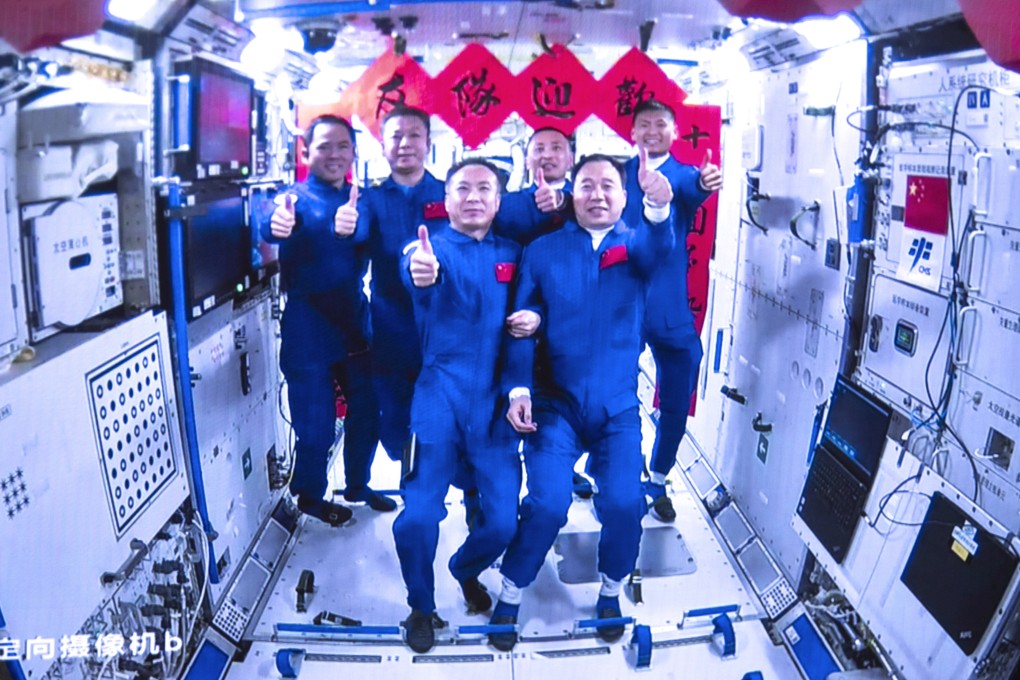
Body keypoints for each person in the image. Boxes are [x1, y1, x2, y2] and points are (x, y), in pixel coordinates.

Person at [489, 153, 675, 651]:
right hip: (556, 404)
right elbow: (521, 324)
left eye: (608, 186)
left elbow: (659, 246)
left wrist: (658, 210)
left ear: (624, 196)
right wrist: (519, 389)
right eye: (586, 185)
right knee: (548, 504)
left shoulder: (635, 245)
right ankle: (511, 591)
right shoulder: (544, 251)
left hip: (616, 407)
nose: (597, 194)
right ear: (572, 194)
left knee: (624, 503)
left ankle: (612, 588)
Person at [393, 159, 523, 653]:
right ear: (445, 201)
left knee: (504, 522)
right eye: (462, 189)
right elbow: (416, 270)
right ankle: (421, 606)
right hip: (438, 399)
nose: (473, 197)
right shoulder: (430, 249)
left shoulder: (514, 254)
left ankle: (465, 568)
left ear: (498, 200)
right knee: (419, 516)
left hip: (493, 405)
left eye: (484, 189)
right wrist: (420, 270)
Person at [260, 114, 395, 525]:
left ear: (354, 152)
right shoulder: (293, 199)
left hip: (354, 321)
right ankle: (310, 496)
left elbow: (361, 229)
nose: (334, 154)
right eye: (324, 146)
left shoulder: (362, 201)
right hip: (307, 326)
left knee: (367, 413)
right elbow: (271, 223)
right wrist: (275, 227)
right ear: (306, 152)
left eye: (342, 146)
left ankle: (357, 484)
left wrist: (348, 230)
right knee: (315, 425)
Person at [622, 99, 722, 522]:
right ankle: (618, 475)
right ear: (632, 133)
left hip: (668, 308)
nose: (650, 131)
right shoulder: (613, 175)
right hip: (620, 302)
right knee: (611, 396)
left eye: (659, 124)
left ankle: (658, 478)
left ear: (674, 132)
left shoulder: (683, 174)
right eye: (643, 125)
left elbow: (692, 189)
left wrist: (705, 182)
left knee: (677, 400)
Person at [357, 106, 449, 463]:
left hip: (445, 326)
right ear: (383, 146)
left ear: (428, 143)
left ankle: (435, 486)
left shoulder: (450, 195)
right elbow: (352, 246)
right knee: (395, 421)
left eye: (414, 135)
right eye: (396, 136)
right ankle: (408, 470)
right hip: (390, 325)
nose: (405, 144)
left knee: (445, 417)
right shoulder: (369, 200)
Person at [494, 127, 574, 246]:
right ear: (527, 162)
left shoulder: (586, 199)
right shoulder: (506, 204)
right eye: (539, 149)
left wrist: (562, 201)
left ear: (571, 160)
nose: (547, 155)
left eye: (556, 148)